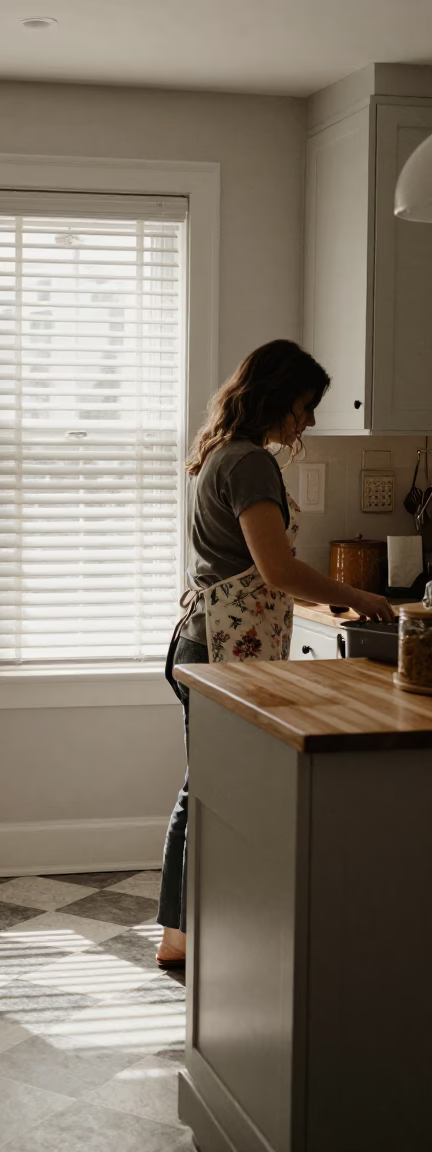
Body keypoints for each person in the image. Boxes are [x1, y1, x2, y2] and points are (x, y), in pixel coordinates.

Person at [156, 339, 394, 969]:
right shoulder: (250, 463)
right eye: (304, 405)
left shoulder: (221, 452)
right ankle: (183, 933)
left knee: (206, 787)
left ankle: (187, 930)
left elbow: (256, 568)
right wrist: (357, 597)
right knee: (211, 790)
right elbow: (278, 569)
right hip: (221, 649)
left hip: (204, 640)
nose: (308, 420)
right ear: (277, 396)